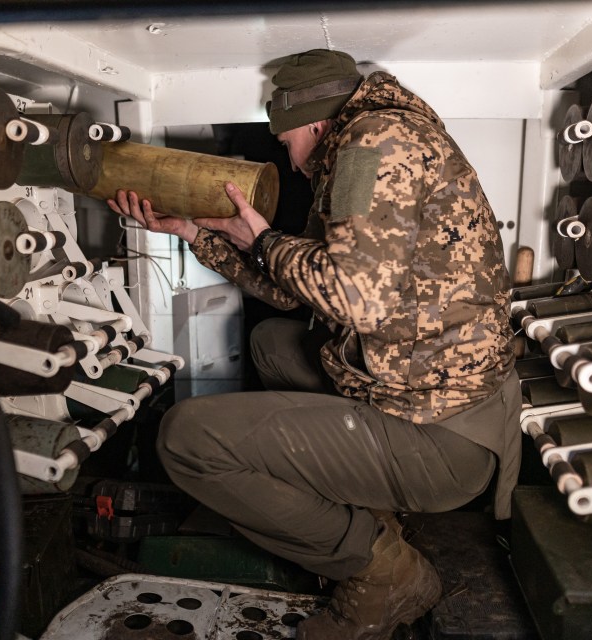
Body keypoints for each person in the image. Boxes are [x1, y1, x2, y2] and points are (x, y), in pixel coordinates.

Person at [107, 49, 519, 639]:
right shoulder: (381, 135)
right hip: (440, 402)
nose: (289, 160)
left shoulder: (372, 144)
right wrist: (201, 233)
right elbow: (296, 296)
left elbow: (354, 300)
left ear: (315, 124)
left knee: (188, 440)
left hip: (441, 436)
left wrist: (267, 238)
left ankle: (382, 572)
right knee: (275, 343)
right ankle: (369, 512)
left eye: (286, 142)